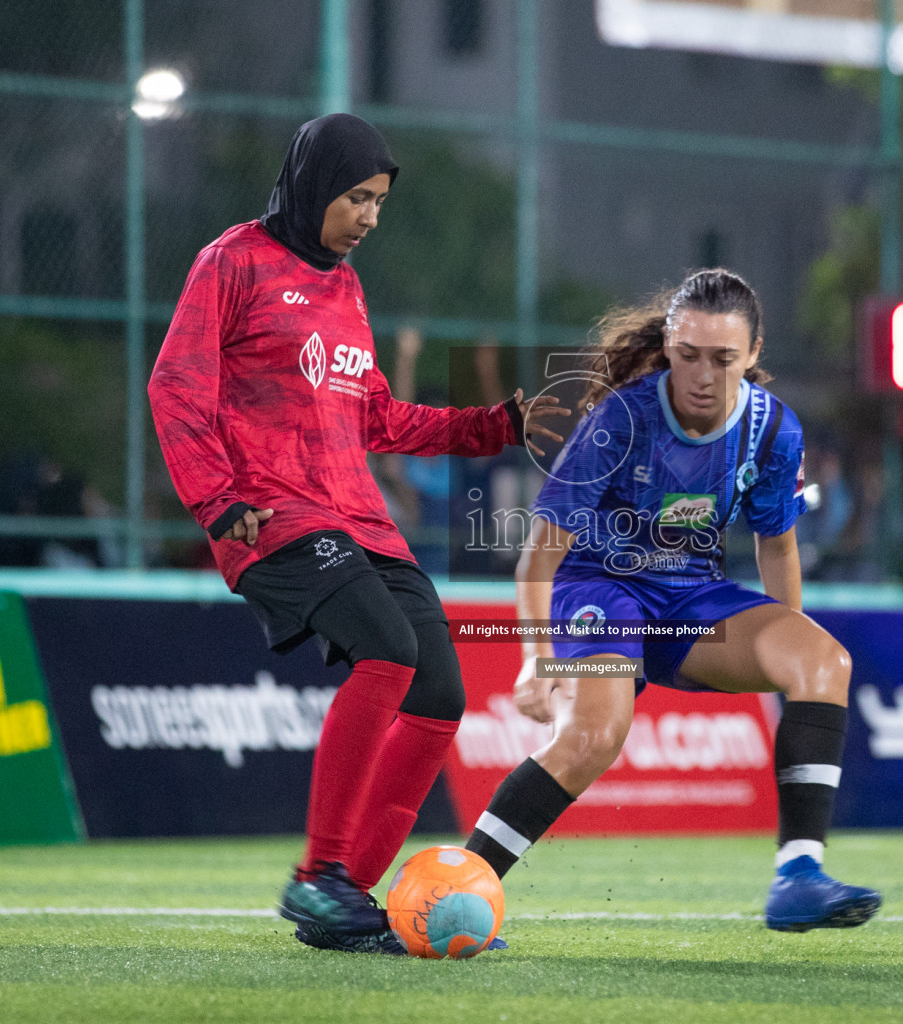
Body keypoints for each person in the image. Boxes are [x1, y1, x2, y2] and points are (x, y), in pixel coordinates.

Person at [148, 113, 566, 955]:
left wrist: (493, 425)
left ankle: (349, 900)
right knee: (387, 650)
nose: (369, 216)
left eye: (378, 200)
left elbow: (374, 413)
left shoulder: (345, 287)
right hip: (270, 510)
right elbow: (175, 386)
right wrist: (216, 499)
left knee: (440, 695)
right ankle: (320, 878)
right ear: (312, 187)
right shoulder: (232, 262)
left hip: (357, 516)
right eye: (355, 197)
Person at [462, 269, 882, 934]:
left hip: (692, 605)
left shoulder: (774, 431)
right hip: (598, 593)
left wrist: (788, 665)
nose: (703, 376)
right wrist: (536, 659)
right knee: (593, 738)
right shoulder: (620, 420)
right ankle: (464, 883)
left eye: (723, 359)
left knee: (824, 663)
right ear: (669, 345)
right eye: (688, 355)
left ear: (753, 354)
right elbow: (538, 558)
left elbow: (777, 547)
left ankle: (798, 875)